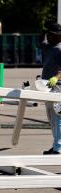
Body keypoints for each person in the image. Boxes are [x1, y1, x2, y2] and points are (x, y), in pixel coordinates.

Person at [40, 21, 61, 154]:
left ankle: (59, 147)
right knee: (51, 119)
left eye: (51, 35)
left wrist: (56, 77)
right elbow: (39, 41)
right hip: (46, 87)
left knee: (58, 117)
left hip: (57, 87)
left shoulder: (59, 49)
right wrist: (44, 30)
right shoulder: (49, 47)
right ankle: (56, 145)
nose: (48, 37)